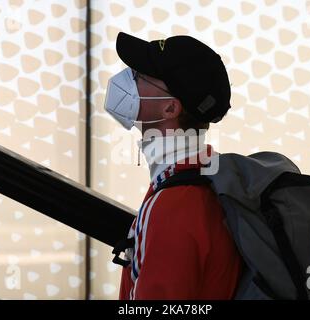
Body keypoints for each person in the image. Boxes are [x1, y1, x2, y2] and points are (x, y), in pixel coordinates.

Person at [104, 32, 243, 300]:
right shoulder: (207, 178)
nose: (126, 78)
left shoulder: (176, 205)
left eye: (139, 75)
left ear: (169, 109)